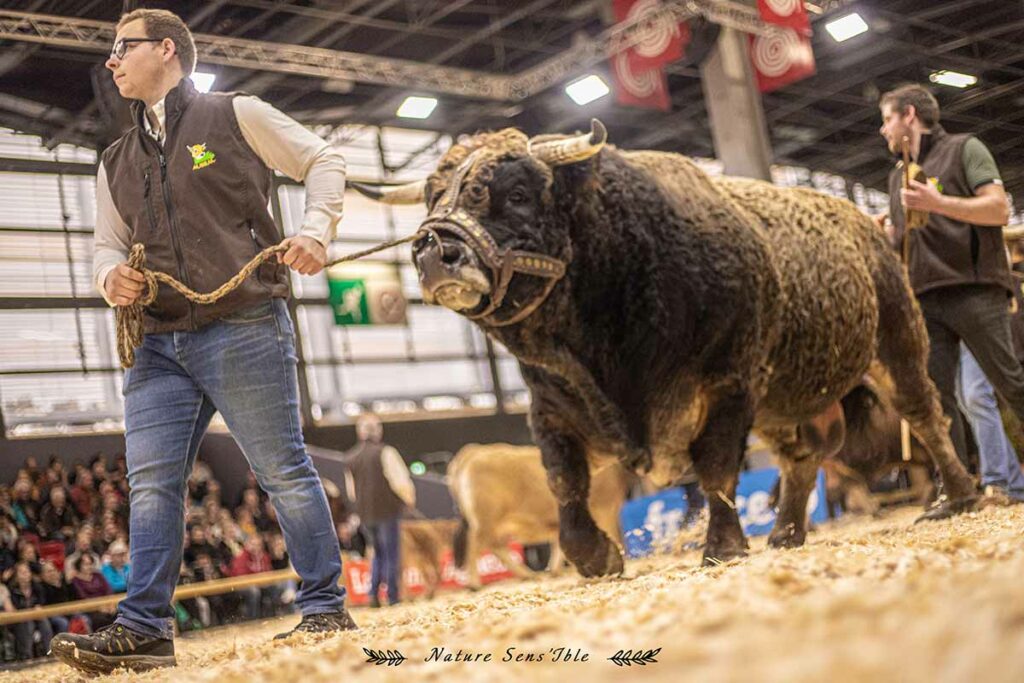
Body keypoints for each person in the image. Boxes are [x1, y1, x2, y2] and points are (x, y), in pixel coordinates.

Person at [49, 8, 354, 674]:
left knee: (282, 471)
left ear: (167, 49)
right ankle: (145, 629)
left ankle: (325, 607)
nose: (110, 60)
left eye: (122, 47)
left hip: (244, 322)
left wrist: (316, 230)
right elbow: (104, 246)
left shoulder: (235, 114)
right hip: (157, 342)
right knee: (150, 485)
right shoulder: (115, 159)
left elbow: (323, 159)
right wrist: (109, 278)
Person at [879, 84, 1024, 501]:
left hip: (974, 288)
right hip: (924, 298)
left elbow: (998, 209)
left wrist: (937, 202)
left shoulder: (965, 150)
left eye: (887, 119)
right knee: (937, 400)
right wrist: (884, 237)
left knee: (1011, 383)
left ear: (909, 115)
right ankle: (958, 491)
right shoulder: (896, 177)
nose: (883, 129)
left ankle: (1002, 481)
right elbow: (904, 240)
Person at [344, 414, 416, 608]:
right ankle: (393, 596)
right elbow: (400, 481)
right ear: (378, 431)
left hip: (365, 514)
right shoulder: (386, 452)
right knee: (391, 552)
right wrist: (409, 500)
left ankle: (373, 595)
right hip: (387, 510)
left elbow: (351, 492)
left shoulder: (350, 458)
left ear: (360, 432)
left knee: (376, 552)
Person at [956, 344, 1024, 502]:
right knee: (966, 404)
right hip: (946, 336)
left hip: (977, 333)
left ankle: (996, 482)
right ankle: (1015, 485)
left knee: (977, 397)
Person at [8, 562, 53, 660]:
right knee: (28, 623)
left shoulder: (37, 587)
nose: (25, 574)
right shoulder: (12, 590)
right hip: (20, 620)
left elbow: (41, 602)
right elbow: (15, 609)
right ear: (16, 576)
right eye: (22, 572)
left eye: (27, 571)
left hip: (36, 616)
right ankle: (27, 656)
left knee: (44, 621)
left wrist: (38, 608)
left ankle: (50, 652)